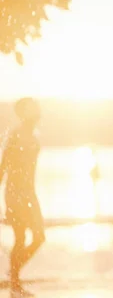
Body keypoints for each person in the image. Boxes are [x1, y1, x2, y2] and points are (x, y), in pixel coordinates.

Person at [0, 98, 45, 298]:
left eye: (36, 107)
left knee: (39, 237)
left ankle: (14, 273)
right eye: (31, 108)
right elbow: (2, 168)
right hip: (15, 193)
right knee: (20, 238)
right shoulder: (16, 136)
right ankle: (15, 284)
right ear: (23, 113)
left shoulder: (34, 135)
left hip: (30, 193)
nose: (37, 110)